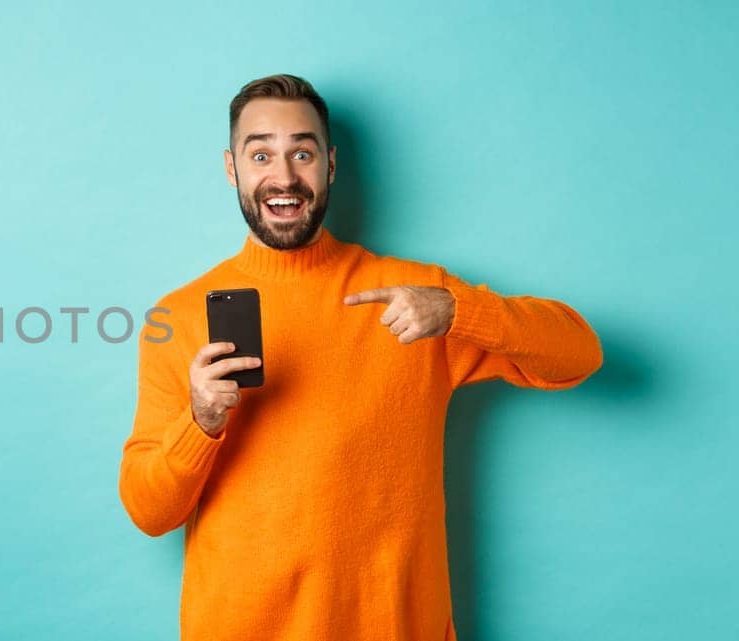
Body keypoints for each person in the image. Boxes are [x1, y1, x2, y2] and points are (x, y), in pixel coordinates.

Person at [116, 73, 603, 640]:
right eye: (261, 154)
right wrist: (200, 421)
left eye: (303, 152)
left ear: (330, 165)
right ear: (232, 169)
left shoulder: (417, 299)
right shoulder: (177, 317)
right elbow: (149, 513)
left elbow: (579, 353)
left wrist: (459, 311)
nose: (283, 176)